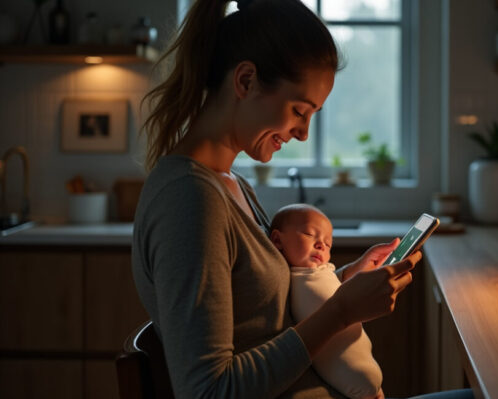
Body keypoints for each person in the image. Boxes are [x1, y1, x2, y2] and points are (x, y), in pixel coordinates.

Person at [131, 0, 420, 398]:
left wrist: (341, 282)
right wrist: (340, 312)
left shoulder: (231, 185)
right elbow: (208, 391)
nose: (303, 132)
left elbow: (263, 319)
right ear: (246, 81)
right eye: (300, 110)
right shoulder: (190, 202)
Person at [270, 204, 383, 399]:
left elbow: (327, 287)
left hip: (365, 362)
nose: (321, 244)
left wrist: (353, 273)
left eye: (328, 243)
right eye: (308, 234)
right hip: (354, 378)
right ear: (278, 240)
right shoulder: (290, 280)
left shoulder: (322, 270)